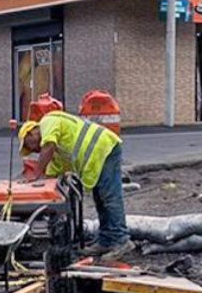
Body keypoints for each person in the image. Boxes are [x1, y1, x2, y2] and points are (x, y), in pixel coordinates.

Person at [17, 110, 132, 259]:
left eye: (30, 146)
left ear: (31, 133)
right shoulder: (57, 153)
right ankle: (107, 240)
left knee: (110, 198)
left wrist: (35, 174)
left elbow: (48, 147)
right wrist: (31, 189)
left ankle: (121, 240)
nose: (34, 150)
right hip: (96, 157)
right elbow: (50, 176)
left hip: (104, 148)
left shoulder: (48, 121)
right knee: (100, 200)